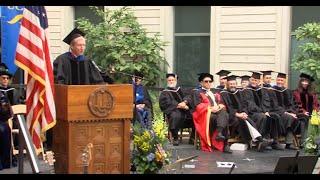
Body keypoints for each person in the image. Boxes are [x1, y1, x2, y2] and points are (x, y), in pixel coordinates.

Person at [220, 75, 268, 152]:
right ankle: (258, 139)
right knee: (242, 120)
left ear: (236, 84)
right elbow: (227, 107)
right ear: (227, 84)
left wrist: (244, 113)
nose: (232, 85)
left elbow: (244, 105)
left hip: (241, 115)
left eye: (234, 83)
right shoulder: (223, 94)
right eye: (230, 84)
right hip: (231, 116)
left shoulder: (240, 92)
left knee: (247, 118)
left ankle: (257, 139)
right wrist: (237, 114)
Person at [188, 73, 231, 153]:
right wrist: (210, 109)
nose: (208, 83)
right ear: (201, 83)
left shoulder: (215, 91)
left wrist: (220, 106)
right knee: (222, 117)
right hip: (205, 115)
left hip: (218, 112)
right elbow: (198, 106)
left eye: (210, 81)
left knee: (225, 114)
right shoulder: (197, 92)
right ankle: (224, 142)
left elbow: (221, 102)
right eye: (206, 81)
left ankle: (220, 134)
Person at [242, 71, 284, 150]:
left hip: (262, 112)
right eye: (253, 80)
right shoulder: (246, 91)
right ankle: (260, 141)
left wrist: (266, 111)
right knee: (262, 117)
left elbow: (266, 102)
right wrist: (263, 112)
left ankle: (275, 141)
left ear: (259, 81)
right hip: (252, 114)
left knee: (275, 116)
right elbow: (250, 105)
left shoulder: (262, 90)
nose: (254, 82)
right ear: (250, 80)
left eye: (256, 80)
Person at [159, 73, 194, 146]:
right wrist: (179, 105)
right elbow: (165, 104)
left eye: (173, 80)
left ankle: (192, 138)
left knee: (195, 115)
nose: (171, 81)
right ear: (167, 81)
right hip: (173, 111)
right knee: (175, 116)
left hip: (185, 110)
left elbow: (188, 96)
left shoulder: (180, 89)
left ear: (176, 81)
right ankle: (175, 137)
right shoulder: (164, 92)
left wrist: (185, 102)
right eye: (169, 80)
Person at [273, 72, 304, 149]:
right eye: (278, 80)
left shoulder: (288, 91)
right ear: (276, 80)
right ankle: (287, 142)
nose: (280, 82)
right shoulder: (271, 91)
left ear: (285, 81)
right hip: (277, 111)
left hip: (288, 113)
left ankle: (292, 142)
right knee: (290, 118)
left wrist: (293, 112)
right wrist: (286, 113)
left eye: (281, 80)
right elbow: (273, 105)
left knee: (299, 117)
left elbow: (293, 104)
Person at [293, 73, 319, 143]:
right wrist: (304, 111)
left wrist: (317, 111)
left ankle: (315, 141)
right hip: (300, 112)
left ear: (309, 83)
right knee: (305, 118)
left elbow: (315, 103)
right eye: (303, 81)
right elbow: (297, 104)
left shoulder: (312, 93)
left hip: (311, 112)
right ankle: (303, 141)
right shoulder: (296, 92)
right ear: (300, 82)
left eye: (306, 81)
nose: (304, 83)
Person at [0, 64, 14, 170]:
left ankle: (8, 161)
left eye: (7, 78)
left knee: (5, 130)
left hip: (7, 119)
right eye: (3, 78)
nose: (5, 80)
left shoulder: (11, 90)